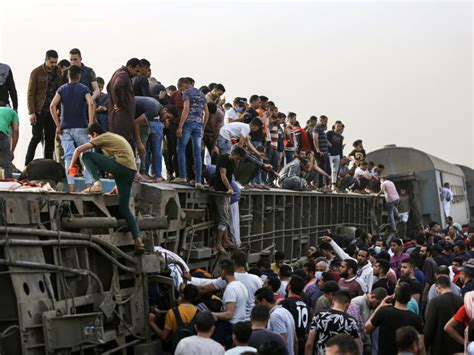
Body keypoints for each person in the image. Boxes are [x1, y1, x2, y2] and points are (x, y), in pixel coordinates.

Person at [69, 123, 145, 252]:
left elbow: (78, 150)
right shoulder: (115, 137)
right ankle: (138, 240)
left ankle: (96, 183)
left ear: (94, 134)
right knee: (124, 208)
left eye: (90, 137)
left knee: (86, 155)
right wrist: (117, 186)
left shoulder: (102, 137)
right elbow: (124, 160)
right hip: (129, 171)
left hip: (121, 167)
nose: (91, 140)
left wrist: (72, 167)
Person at [50, 65, 95, 192]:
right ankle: (88, 186)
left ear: (68, 76)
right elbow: (91, 103)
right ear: (79, 76)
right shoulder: (84, 88)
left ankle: (71, 187)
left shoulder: (62, 89)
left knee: (69, 157)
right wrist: (91, 123)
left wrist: (58, 124)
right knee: (86, 156)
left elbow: (52, 105)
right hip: (81, 127)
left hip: (65, 129)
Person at [25, 49, 63, 166]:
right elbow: (30, 93)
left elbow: (61, 90)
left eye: (56, 62)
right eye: (52, 62)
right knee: (36, 137)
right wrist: (31, 112)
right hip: (39, 110)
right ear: (46, 60)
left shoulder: (58, 72)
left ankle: (47, 166)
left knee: (50, 139)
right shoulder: (36, 72)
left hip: (52, 111)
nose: (54, 65)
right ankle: (28, 164)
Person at [365, 282, 423, 355]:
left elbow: (366, 329)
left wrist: (380, 306)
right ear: (409, 298)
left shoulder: (383, 312)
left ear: (394, 296)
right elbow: (421, 346)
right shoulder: (416, 319)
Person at [176, 77, 209, 187]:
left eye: (180, 89)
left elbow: (186, 109)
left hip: (188, 123)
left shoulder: (187, 93)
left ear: (184, 85)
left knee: (181, 148)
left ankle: (182, 176)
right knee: (197, 153)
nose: (180, 91)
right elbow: (207, 113)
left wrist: (180, 126)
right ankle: (198, 181)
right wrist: (203, 128)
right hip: (199, 126)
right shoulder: (202, 94)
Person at [305, 290, 361, 355]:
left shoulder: (319, 315)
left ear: (332, 301)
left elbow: (309, 344)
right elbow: (356, 347)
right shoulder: (351, 322)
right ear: (347, 305)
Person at [213, 147, 246, 251]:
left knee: (226, 216)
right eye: (237, 158)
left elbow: (229, 176)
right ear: (234, 154)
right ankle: (218, 244)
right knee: (224, 218)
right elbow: (223, 175)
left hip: (226, 193)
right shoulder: (223, 159)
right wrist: (230, 188)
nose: (238, 161)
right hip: (221, 191)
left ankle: (226, 240)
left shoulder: (232, 163)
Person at [212, 259, 249, 348]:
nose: (218, 272)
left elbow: (229, 314)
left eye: (220, 270)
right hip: (240, 324)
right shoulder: (241, 285)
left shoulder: (231, 289)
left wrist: (211, 314)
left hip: (230, 326)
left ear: (224, 271)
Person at [423, 275, 463, 354]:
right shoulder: (461, 301)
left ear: (437, 287)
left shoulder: (435, 302)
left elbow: (429, 327)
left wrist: (426, 346)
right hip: (458, 347)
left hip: (439, 347)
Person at [107, 58, 141, 143]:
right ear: (130, 67)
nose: (137, 74)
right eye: (136, 71)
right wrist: (119, 103)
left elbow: (108, 87)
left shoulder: (117, 73)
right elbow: (117, 86)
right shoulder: (123, 75)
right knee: (123, 145)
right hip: (122, 119)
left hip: (118, 118)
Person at [255, 287, 297, 355]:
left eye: (257, 303)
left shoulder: (275, 315)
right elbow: (295, 340)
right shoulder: (286, 311)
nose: (256, 306)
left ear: (263, 301)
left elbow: (282, 341)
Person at [281, 275, 309, 355]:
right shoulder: (304, 305)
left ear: (289, 286)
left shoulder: (285, 303)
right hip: (303, 341)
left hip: (292, 342)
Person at [0, 103, 19, 178]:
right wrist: (12, 151)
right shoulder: (13, 113)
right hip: (1, 134)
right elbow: (15, 130)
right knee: (5, 166)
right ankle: (6, 186)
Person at [326, 121, 344, 192]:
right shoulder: (330, 133)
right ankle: (326, 184)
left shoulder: (340, 137)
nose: (339, 128)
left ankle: (333, 185)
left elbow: (340, 147)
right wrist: (328, 143)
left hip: (337, 155)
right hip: (330, 154)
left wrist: (341, 157)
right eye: (338, 126)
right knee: (328, 169)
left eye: (340, 126)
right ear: (335, 126)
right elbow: (324, 139)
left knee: (335, 171)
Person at [312, 115, 329, 188]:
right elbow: (315, 138)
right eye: (325, 121)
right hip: (319, 152)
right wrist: (318, 149)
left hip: (324, 152)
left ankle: (321, 185)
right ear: (321, 120)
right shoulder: (317, 127)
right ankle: (319, 186)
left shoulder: (321, 129)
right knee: (320, 167)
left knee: (323, 167)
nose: (326, 123)